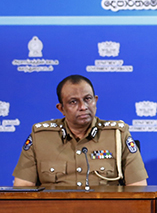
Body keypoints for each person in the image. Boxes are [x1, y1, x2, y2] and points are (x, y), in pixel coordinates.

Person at [12, 75, 148, 187]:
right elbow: (23, 187)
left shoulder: (118, 135)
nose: (83, 107)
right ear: (61, 108)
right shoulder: (40, 138)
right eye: (73, 102)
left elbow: (138, 187)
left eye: (87, 99)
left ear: (95, 101)